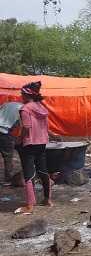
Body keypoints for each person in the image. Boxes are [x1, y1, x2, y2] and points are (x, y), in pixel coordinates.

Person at [14, 82, 62, 215]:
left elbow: (27, 126)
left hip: (29, 143)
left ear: (26, 94)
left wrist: (19, 139)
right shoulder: (42, 108)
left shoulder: (25, 109)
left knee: (29, 173)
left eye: (22, 94)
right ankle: (47, 199)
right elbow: (46, 128)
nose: (21, 96)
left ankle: (29, 206)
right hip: (41, 143)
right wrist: (53, 136)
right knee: (43, 170)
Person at [0, 102, 22, 186]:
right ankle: (8, 179)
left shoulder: (8, 104)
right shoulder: (24, 109)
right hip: (5, 132)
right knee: (8, 156)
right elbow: (22, 125)